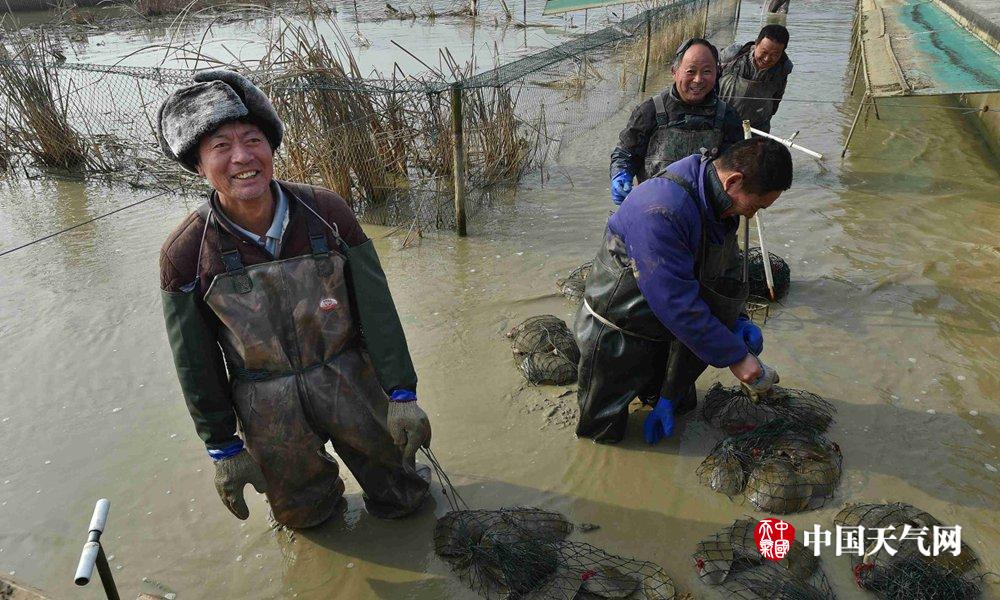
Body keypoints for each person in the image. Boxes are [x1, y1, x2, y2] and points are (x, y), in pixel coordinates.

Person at [157, 70, 431, 529]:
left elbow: (379, 312)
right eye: (221, 147)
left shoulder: (326, 212)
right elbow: (196, 362)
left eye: (253, 140)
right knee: (306, 521)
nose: (243, 157)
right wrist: (223, 448)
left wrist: (402, 393)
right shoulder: (185, 252)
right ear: (200, 166)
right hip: (265, 401)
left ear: (271, 147)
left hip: (348, 377)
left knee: (404, 495)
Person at [576, 138, 792, 444]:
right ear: (733, 181)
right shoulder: (662, 209)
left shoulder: (720, 205)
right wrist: (735, 357)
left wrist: (738, 320)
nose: (751, 216)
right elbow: (675, 302)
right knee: (602, 433)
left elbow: (724, 273)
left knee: (683, 405)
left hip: (667, 327)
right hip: (618, 330)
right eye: (755, 206)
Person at [609, 38, 744, 205]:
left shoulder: (728, 117)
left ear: (717, 73)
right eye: (690, 71)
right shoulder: (650, 110)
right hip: (654, 210)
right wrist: (620, 173)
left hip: (705, 214)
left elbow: (736, 166)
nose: (698, 80)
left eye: (707, 72)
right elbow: (625, 153)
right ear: (674, 71)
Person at [719, 25, 793, 133]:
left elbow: (776, 100)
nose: (767, 59)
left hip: (757, 128)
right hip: (722, 123)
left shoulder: (783, 69)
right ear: (756, 43)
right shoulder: (733, 55)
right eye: (764, 52)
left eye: (774, 55)